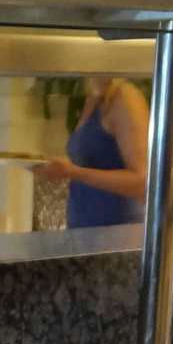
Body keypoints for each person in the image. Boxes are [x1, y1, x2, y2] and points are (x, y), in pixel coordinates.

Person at [39, 74, 150, 229]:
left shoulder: (125, 98)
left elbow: (142, 183)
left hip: (117, 234)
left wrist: (73, 172)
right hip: (85, 233)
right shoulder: (94, 96)